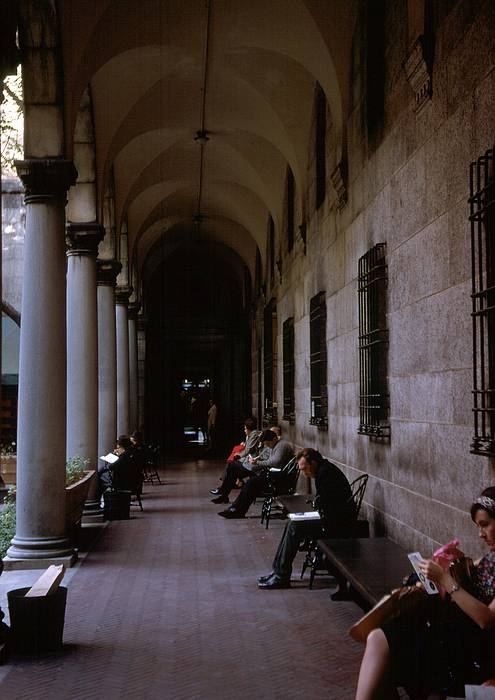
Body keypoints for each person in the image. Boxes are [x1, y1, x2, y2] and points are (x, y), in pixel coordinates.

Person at [355, 486, 495, 700]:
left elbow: (486, 619)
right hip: (455, 635)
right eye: (478, 526)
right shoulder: (490, 557)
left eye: (485, 525)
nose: (480, 534)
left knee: (388, 651)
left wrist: (445, 578)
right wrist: (456, 564)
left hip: (475, 652)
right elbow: (468, 581)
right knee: (378, 637)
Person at [257, 447, 354, 588]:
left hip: (336, 523)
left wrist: (314, 510)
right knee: (292, 523)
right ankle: (277, 571)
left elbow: (329, 505)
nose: (304, 473)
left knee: (294, 526)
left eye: (304, 469)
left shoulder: (326, 474)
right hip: (329, 517)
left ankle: (281, 575)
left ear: (313, 463)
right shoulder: (323, 470)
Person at [216, 428, 294, 517]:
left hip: (279, 480)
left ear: (274, 439)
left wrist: (258, 462)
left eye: (268, 444)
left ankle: (237, 510)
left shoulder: (282, 446)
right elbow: (271, 461)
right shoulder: (276, 444)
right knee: (250, 483)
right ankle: (235, 508)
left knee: (251, 483)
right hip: (275, 475)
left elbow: (275, 462)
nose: (268, 446)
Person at [209, 417, 262, 498]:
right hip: (248, 461)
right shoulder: (250, 435)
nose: (244, 431)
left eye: (245, 428)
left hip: (251, 464)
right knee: (231, 470)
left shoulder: (254, 435)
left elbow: (248, 449)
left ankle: (223, 492)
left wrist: (238, 455)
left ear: (249, 428)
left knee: (231, 467)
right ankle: (224, 494)